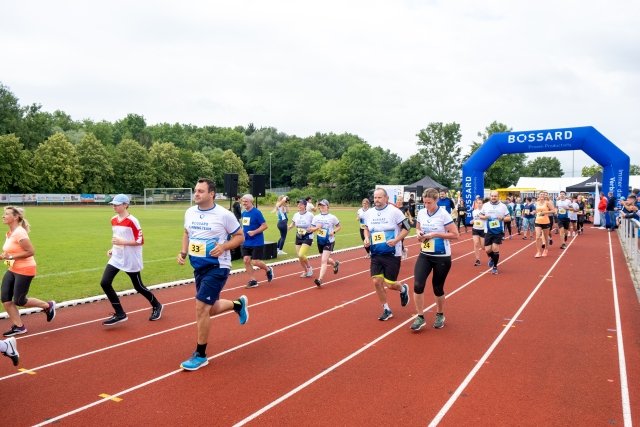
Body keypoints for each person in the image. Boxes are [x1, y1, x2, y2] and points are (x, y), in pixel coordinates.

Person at [177, 178, 248, 371]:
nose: (196, 194)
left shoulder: (224, 215)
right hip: (198, 266)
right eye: (195, 190)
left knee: (201, 308)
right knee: (210, 309)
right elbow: (186, 232)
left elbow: (240, 236)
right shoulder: (190, 212)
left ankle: (200, 355)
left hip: (217, 267)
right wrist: (183, 252)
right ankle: (237, 304)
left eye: (200, 191)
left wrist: (224, 246)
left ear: (211, 194)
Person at [99, 194, 163, 326]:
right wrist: (113, 249)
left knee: (138, 286)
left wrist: (123, 242)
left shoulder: (132, 221)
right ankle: (120, 313)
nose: (114, 206)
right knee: (105, 283)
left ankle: (157, 305)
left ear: (125, 205)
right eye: (113, 204)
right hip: (117, 257)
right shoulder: (113, 220)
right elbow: (117, 237)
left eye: (117, 204)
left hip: (131, 258)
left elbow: (140, 240)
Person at [1, 206, 55, 337]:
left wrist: (11, 257)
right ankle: (19, 326)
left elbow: (30, 251)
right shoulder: (9, 233)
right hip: (12, 269)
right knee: (5, 299)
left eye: (6, 214)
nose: (3, 216)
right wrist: (5, 258)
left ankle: (47, 306)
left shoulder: (19, 233)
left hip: (25, 269)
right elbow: (9, 252)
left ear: (15, 217)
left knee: (19, 300)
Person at [411, 188, 459, 331]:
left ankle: (440, 314)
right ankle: (420, 316)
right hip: (425, 254)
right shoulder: (421, 213)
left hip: (441, 256)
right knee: (418, 284)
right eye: (424, 203)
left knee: (437, 287)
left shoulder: (443, 214)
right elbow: (417, 228)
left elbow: (455, 234)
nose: (426, 205)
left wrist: (435, 234)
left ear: (436, 200)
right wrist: (419, 233)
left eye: (429, 203)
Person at [363, 188, 411, 321]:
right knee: (376, 282)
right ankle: (386, 309)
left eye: (379, 197)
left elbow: (407, 227)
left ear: (386, 198)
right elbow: (366, 228)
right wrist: (366, 238)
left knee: (390, 284)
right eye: (375, 197)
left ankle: (402, 289)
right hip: (376, 253)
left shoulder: (395, 212)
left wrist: (396, 240)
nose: (376, 200)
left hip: (392, 253)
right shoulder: (369, 213)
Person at [240, 194, 274, 288]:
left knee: (255, 262)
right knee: (246, 260)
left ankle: (268, 269)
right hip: (246, 241)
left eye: (246, 201)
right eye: (243, 201)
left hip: (256, 241)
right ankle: (253, 280)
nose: (244, 203)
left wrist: (254, 232)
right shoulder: (243, 213)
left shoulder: (257, 213)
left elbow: (264, 226)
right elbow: (244, 226)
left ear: (251, 202)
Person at [309, 199, 341, 287]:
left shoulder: (332, 217)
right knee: (325, 259)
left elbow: (339, 226)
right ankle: (335, 264)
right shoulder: (316, 217)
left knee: (323, 260)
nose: (322, 207)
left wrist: (333, 231)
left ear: (328, 207)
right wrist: (317, 228)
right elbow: (311, 229)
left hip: (329, 241)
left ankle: (320, 279)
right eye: (320, 205)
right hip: (320, 240)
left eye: (323, 205)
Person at [478, 191, 511, 274]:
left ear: (498, 197)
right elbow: (480, 216)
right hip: (488, 230)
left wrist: (502, 218)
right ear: (490, 196)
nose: (493, 197)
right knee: (487, 250)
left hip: (498, 231)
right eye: (492, 196)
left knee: (495, 248)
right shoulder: (485, 205)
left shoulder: (503, 206)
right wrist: (485, 217)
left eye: (495, 196)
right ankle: (493, 258)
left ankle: (495, 267)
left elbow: (509, 218)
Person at [288, 199, 315, 277]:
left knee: (301, 254)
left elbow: (314, 225)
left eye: (301, 204)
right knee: (299, 257)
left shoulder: (310, 215)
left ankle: (309, 267)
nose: (299, 206)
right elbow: (293, 223)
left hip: (308, 236)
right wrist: (289, 227)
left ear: (305, 206)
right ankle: (305, 271)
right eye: (298, 204)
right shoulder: (296, 214)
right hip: (299, 236)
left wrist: (312, 228)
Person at [534, 191, 556, 258]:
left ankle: (546, 249)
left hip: (546, 221)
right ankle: (538, 252)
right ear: (538, 195)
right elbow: (536, 211)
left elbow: (553, 211)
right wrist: (534, 212)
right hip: (537, 221)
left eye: (543, 194)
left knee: (546, 237)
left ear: (545, 196)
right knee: (537, 237)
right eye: (541, 194)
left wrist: (545, 212)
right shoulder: (536, 203)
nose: (542, 195)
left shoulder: (547, 203)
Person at [471, 198, 487, 266]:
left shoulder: (485, 211)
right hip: (475, 229)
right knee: (476, 244)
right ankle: (478, 259)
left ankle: (492, 255)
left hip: (483, 229)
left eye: (480, 203)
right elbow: (474, 219)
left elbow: (487, 218)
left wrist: (483, 217)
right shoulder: (474, 211)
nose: (479, 204)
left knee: (483, 247)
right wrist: (472, 221)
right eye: (477, 203)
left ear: (482, 204)